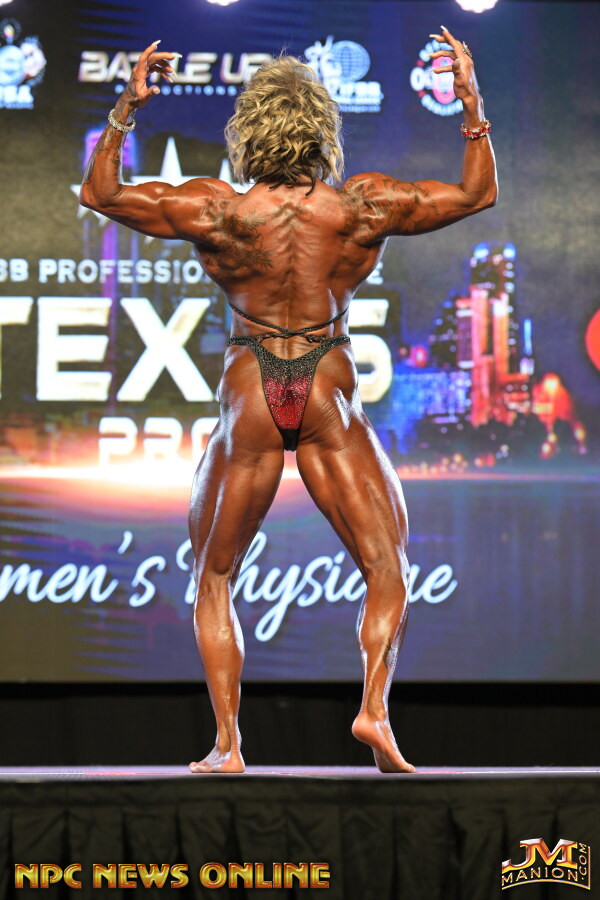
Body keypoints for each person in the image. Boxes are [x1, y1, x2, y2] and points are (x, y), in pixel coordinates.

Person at [80, 27, 497, 774]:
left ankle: (228, 744)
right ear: (323, 133)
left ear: (248, 135)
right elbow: (476, 192)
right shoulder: (362, 206)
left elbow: (100, 193)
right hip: (328, 381)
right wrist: (470, 105)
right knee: (387, 565)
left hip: (250, 381)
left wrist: (126, 109)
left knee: (214, 575)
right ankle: (373, 711)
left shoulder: (219, 211)